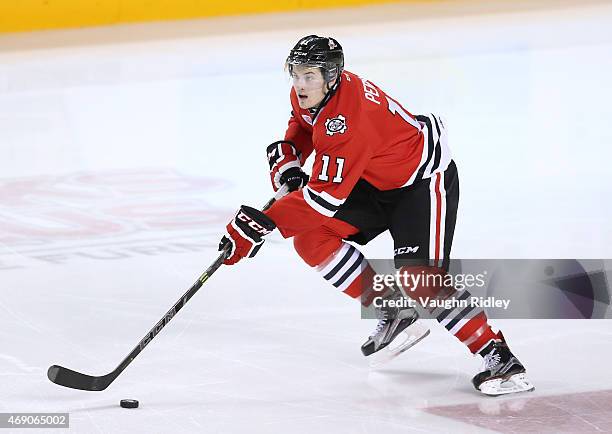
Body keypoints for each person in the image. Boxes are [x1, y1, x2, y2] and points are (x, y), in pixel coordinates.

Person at [218, 35, 534, 396]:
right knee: (312, 238)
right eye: (296, 74)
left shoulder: (348, 120)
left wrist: (264, 223)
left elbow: (322, 200)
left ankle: (499, 359)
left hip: (421, 182)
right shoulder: (315, 93)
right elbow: (303, 125)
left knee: (420, 279)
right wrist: (290, 161)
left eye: (310, 76)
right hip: (372, 177)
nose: (301, 84)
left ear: (332, 75)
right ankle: (394, 311)